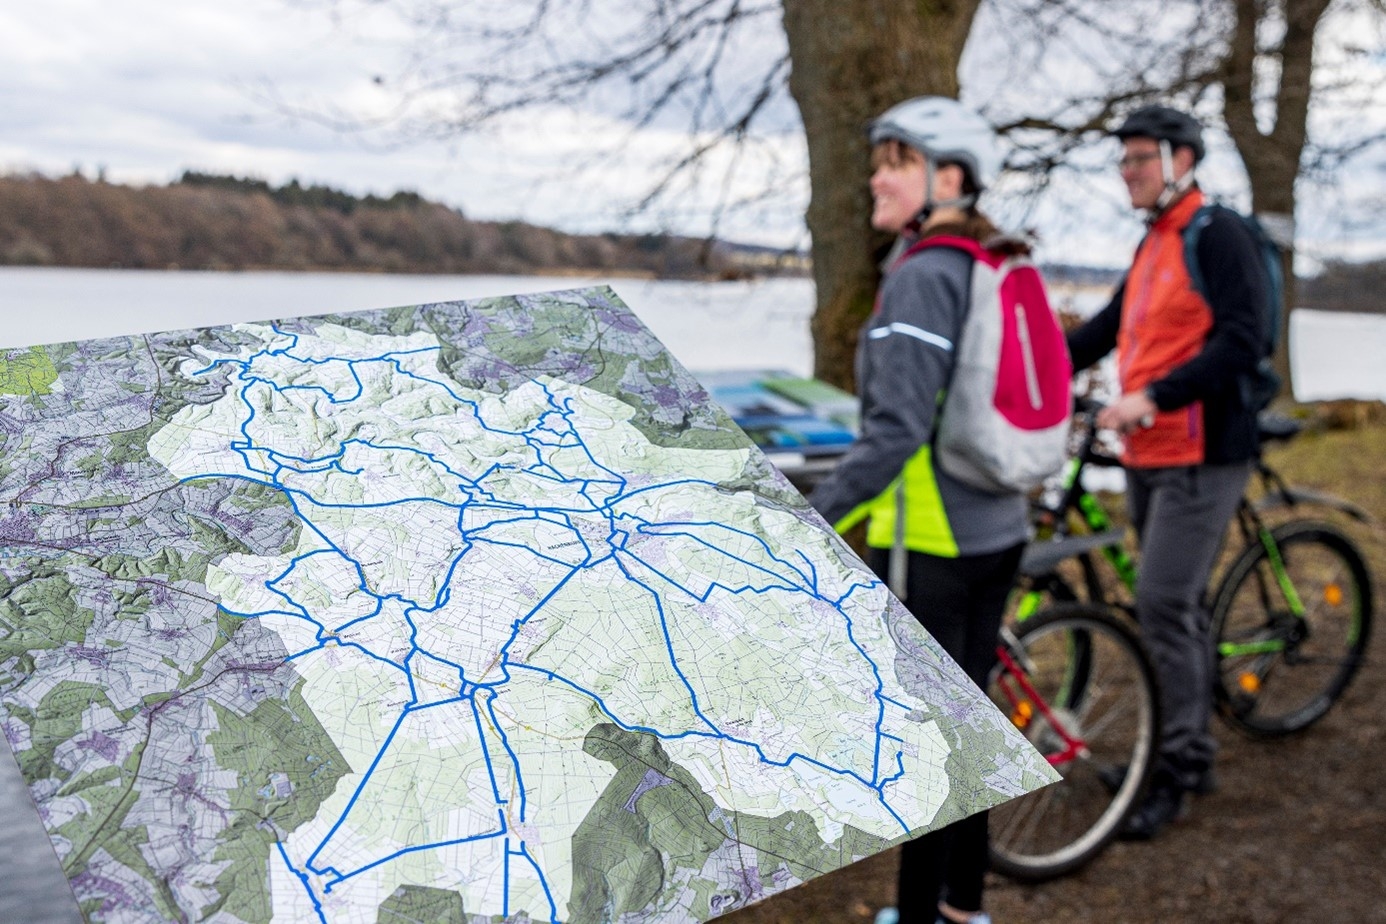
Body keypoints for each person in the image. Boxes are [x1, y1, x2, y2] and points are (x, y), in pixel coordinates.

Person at [808, 96, 1031, 924]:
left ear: (949, 177)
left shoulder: (924, 276)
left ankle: (921, 916)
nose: (876, 175)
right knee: (969, 722)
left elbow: (896, 430)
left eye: (896, 161)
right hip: (997, 523)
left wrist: (817, 513)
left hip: (933, 541)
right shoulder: (983, 262)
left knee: (934, 742)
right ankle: (965, 908)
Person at [1066, 105, 1266, 839]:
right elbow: (1104, 332)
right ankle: (1189, 748)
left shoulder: (1220, 235)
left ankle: (1176, 768)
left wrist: (1152, 395)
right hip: (1151, 452)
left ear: (1183, 160)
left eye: (1141, 159)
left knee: (1161, 605)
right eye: (1123, 161)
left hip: (1204, 449)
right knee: (1171, 605)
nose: (1129, 172)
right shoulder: (1154, 240)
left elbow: (1247, 339)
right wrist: (1029, 369)